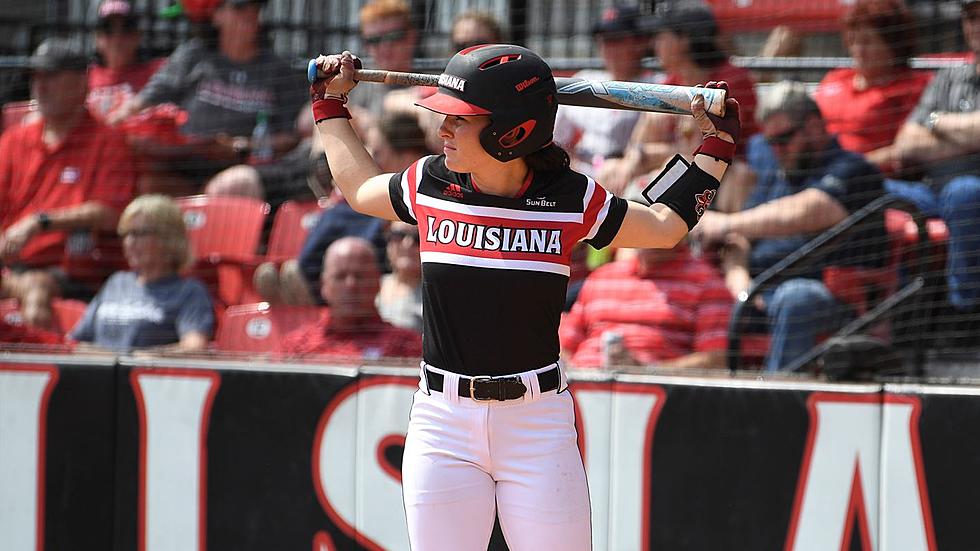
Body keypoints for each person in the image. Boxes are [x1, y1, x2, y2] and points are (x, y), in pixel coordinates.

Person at [309, 43, 740, 550]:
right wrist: (328, 104)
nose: (443, 130)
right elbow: (361, 189)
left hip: (538, 426)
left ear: (511, 132)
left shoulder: (570, 196)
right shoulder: (430, 182)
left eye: (460, 120)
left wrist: (715, 146)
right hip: (442, 423)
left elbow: (664, 226)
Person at [693, 81, 886, 372]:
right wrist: (743, 287)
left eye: (784, 139)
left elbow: (814, 209)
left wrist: (727, 222)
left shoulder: (853, 168)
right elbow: (738, 240)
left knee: (795, 297)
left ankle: (777, 400)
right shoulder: (776, 174)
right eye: (771, 143)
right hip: (759, 297)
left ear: (813, 126)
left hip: (838, 303)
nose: (777, 150)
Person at [0, 38, 136, 328]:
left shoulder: (107, 141)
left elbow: (112, 214)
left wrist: (41, 222)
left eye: (51, 76)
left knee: (36, 294)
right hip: (11, 267)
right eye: (36, 77)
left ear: (81, 84)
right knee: (30, 287)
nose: (40, 86)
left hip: (75, 275)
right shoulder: (14, 141)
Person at [109, 0, 307, 198]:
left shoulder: (278, 71)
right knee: (148, 183)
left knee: (229, 186)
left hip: (243, 169)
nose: (250, 13)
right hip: (184, 163)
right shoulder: (192, 56)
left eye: (255, 6)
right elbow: (143, 102)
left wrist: (241, 145)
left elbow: (292, 136)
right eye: (239, 7)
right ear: (215, 15)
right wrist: (116, 121)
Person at [598, 2, 758, 194]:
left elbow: (702, 148)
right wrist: (633, 160)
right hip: (680, 166)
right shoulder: (673, 80)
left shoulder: (730, 80)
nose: (654, 44)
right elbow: (639, 142)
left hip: (726, 173)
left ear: (684, 39)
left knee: (674, 168)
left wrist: (645, 155)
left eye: (661, 37)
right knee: (611, 169)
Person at [889, 0, 980, 331]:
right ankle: (891, 311)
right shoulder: (948, 78)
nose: (976, 25)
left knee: (964, 192)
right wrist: (967, 135)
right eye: (971, 17)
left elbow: (925, 132)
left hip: (968, 192)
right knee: (868, 186)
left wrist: (938, 122)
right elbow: (907, 144)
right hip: (932, 190)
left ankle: (965, 314)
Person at [69, 195, 214, 353]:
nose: (129, 242)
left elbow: (194, 347)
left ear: (169, 238)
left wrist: (138, 361)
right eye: (125, 233)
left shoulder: (189, 291)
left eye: (139, 233)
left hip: (147, 376)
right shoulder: (116, 282)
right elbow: (76, 342)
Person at [560, 241, 733, 369]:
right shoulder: (602, 276)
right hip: (578, 394)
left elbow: (716, 361)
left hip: (655, 399)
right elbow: (563, 346)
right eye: (644, 219)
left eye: (661, 220)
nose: (650, 229)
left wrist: (646, 371)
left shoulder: (708, 283)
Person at [813, 0, 932, 173]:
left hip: (870, 182)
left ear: (893, 46)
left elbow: (908, 148)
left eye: (867, 42)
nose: (858, 50)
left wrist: (852, 169)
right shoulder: (835, 78)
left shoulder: (913, 87)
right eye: (853, 40)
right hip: (814, 171)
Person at [553, 4, 663, 179]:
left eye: (616, 39)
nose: (608, 47)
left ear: (641, 41)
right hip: (581, 173)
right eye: (603, 39)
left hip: (630, 176)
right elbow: (555, 139)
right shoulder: (585, 79)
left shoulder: (659, 85)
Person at [278, 236, 422, 360]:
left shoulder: (409, 347)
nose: (351, 285)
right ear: (323, 285)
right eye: (340, 277)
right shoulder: (296, 349)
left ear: (377, 282)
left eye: (360, 276)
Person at [87, 0, 167, 124]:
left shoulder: (159, 72)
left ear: (138, 36)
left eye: (126, 29)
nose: (117, 38)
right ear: (97, 39)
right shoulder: (84, 77)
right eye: (108, 30)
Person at [377, 221, 422, 331]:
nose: (408, 243)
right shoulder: (371, 287)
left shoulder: (436, 294)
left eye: (418, 238)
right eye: (399, 235)